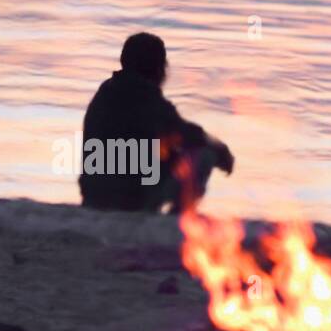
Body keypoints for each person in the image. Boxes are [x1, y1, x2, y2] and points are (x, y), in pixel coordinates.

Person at [78, 32, 234, 212]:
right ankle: (177, 223)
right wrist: (221, 150)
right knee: (205, 154)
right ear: (157, 67)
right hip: (128, 198)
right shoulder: (147, 98)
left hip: (94, 194)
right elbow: (189, 135)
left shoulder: (105, 92)